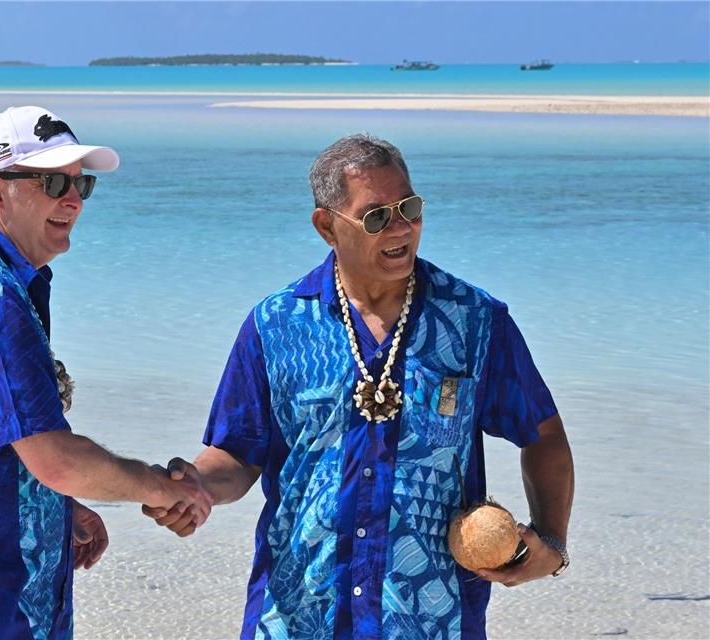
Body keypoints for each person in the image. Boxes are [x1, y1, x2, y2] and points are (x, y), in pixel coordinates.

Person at [144, 134, 574, 639]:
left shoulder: (475, 322)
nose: (401, 228)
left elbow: (544, 437)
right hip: (296, 615)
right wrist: (194, 489)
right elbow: (236, 455)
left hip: (430, 618)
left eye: (409, 208)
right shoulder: (276, 325)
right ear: (327, 225)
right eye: (376, 217)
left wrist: (551, 543)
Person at [0, 105, 212, 639]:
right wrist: (159, 488)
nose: (73, 200)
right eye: (53, 182)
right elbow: (55, 459)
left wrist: (58, 509)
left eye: (82, 184)